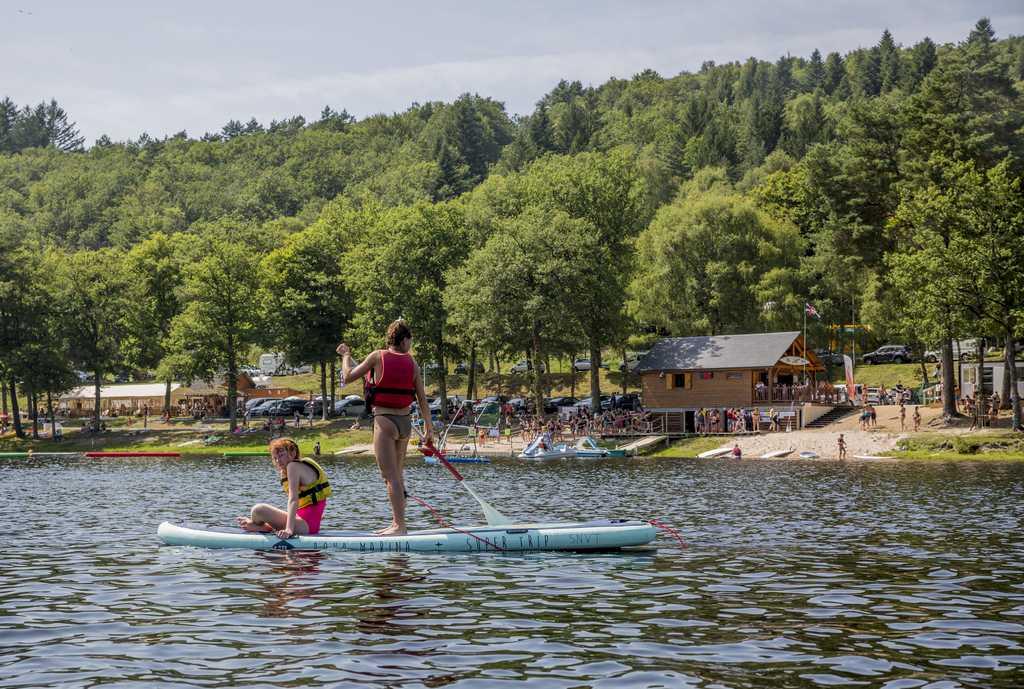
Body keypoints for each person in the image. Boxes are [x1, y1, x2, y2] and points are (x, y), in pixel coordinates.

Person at [338, 319, 432, 536]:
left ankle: (399, 526)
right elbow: (423, 399)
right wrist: (429, 429)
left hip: (385, 421)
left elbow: (348, 375)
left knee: (390, 477)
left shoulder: (377, 356)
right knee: (398, 476)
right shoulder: (412, 363)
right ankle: (397, 523)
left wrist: (345, 355)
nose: (410, 345)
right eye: (410, 340)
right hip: (405, 424)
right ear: (404, 339)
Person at [237, 437, 332, 538]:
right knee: (257, 513)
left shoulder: (293, 466)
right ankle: (264, 527)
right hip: (306, 523)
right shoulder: (291, 469)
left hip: (305, 526)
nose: (278, 460)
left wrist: (289, 530)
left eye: (281, 455)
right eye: (275, 458)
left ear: (293, 452)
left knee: (258, 510)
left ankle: (264, 528)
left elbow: (293, 499)